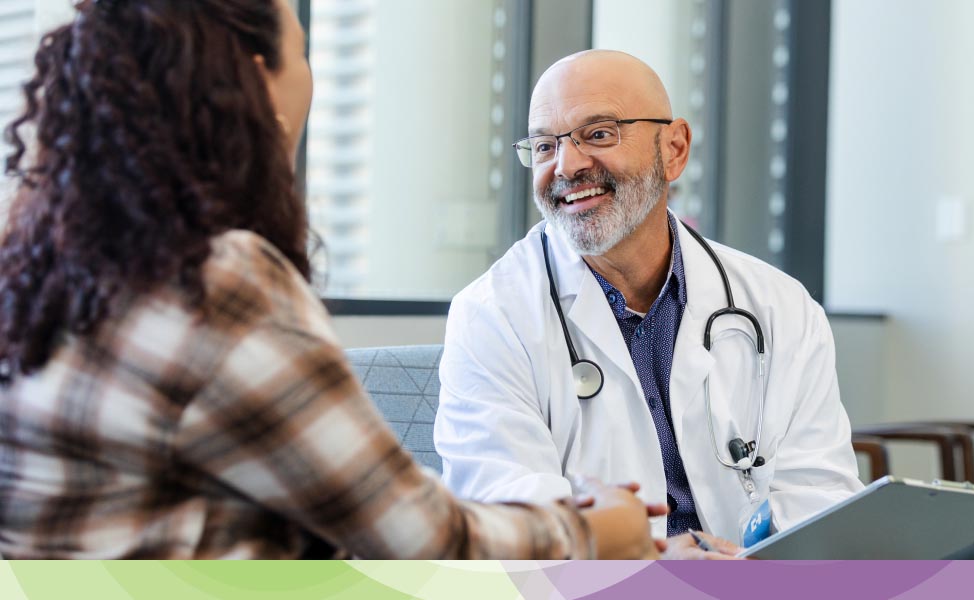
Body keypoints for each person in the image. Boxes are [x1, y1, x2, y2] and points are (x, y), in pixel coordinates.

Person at [0, 1, 660, 559]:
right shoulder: (214, 283)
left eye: (599, 133)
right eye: (303, 50)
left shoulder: (54, 268)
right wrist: (600, 529)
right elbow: (422, 538)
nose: (568, 163)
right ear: (258, 84)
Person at [433, 50, 864, 553]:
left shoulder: (781, 307)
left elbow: (821, 494)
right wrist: (653, 572)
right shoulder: (492, 315)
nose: (567, 165)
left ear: (674, 149)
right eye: (546, 145)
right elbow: (511, 520)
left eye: (598, 134)